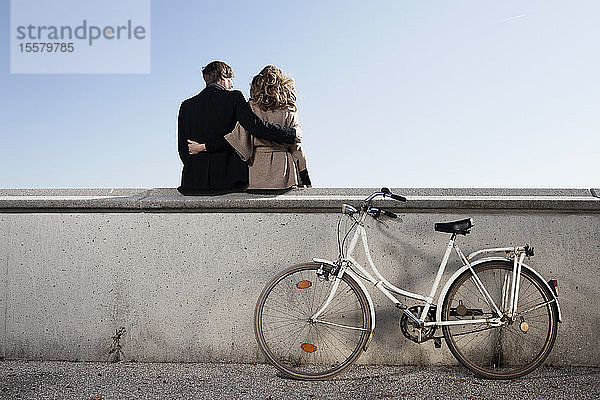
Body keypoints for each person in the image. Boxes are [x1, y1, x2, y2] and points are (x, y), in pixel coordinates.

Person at [177, 61, 298, 194]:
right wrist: (291, 134)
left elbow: (183, 149)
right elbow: (255, 128)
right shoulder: (234, 97)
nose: (232, 84)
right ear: (223, 77)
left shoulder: (186, 105)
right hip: (228, 181)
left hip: (193, 182)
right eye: (230, 79)